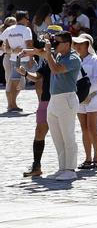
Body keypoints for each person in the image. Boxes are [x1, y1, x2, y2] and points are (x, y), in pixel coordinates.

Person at [24, 31, 81, 181]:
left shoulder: (73, 58)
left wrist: (48, 52)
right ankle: (62, 168)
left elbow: (56, 69)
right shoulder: (60, 55)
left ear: (67, 44)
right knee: (57, 137)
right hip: (54, 99)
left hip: (66, 99)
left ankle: (70, 169)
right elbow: (42, 53)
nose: (54, 45)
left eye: (58, 42)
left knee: (68, 136)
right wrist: (31, 51)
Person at [19, 26, 61, 177]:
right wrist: (25, 74)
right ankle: (36, 166)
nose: (45, 38)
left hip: (60, 98)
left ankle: (66, 166)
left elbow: (50, 57)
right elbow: (38, 77)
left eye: (49, 36)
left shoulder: (63, 54)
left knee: (62, 133)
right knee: (39, 132)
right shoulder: (44, 57)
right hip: (45, 99)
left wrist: (36, 51)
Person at [72, 33, 97, 170]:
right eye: (76, 44)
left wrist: (87, 93)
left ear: (87, 45)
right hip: (79, 98)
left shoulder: (95, 59)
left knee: (92, 127)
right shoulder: (74, 60)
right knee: (84, 129)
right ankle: (87, 158)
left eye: (81, 44)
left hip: (93, 97)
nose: (78, 46)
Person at [1, 11, 31, 113]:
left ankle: (12, 104)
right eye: (27, 18)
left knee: (19, 83)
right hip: (13, 59)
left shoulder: (10, 31)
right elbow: (4, 48)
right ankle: (11, 104)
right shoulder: (20, 30)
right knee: (12, 82)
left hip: (14, 59)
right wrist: (13, 51)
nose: (28, 20)